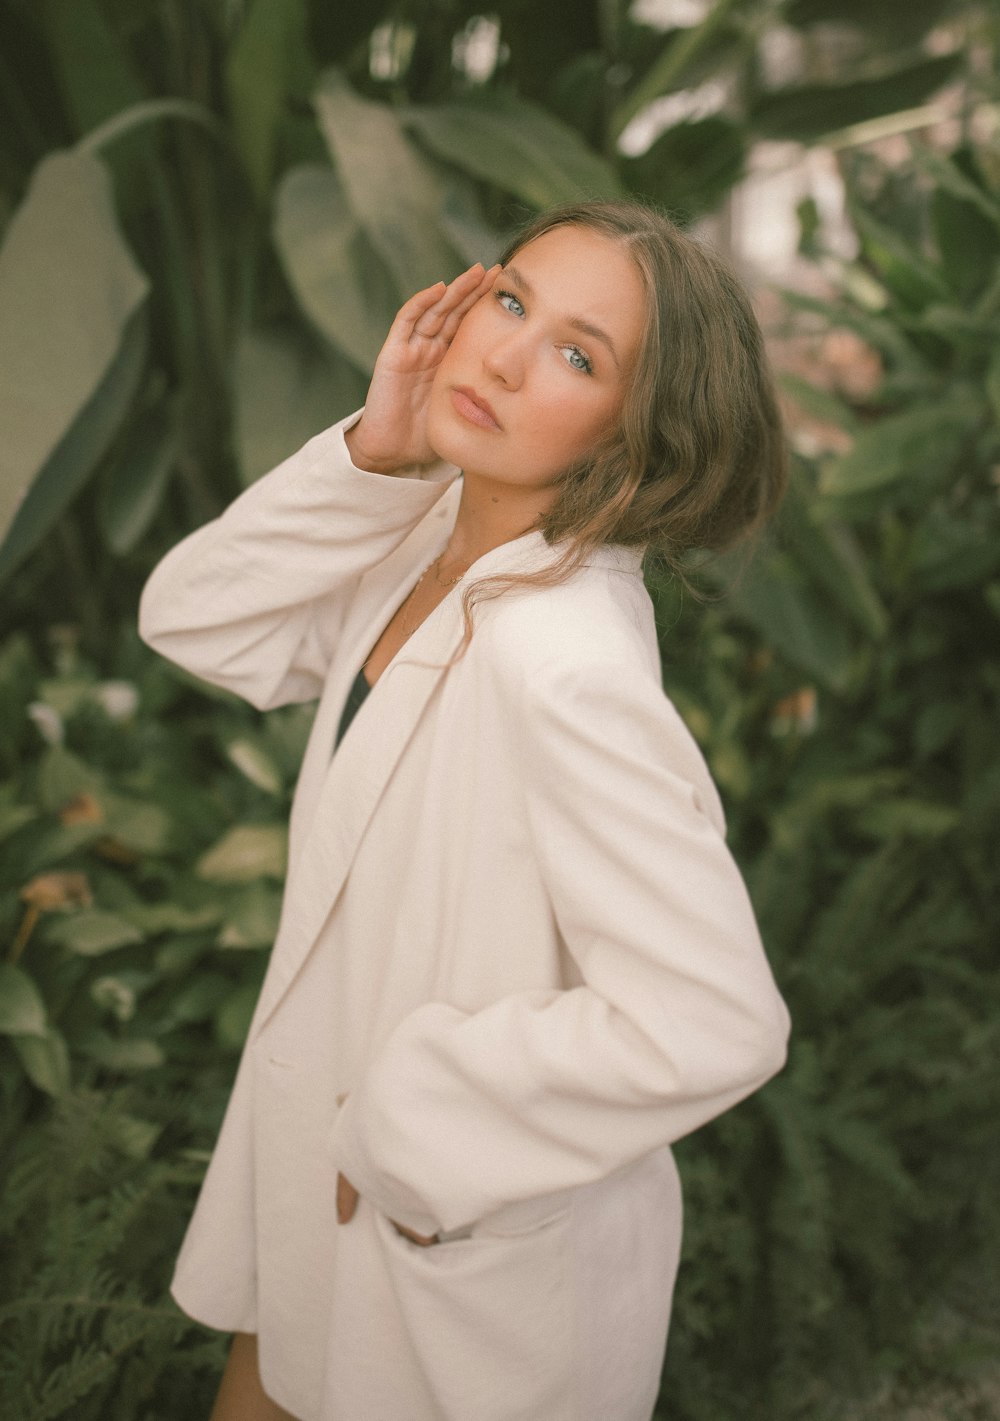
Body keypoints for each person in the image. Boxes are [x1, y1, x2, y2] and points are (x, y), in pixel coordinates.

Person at [138, 199, 791, 1421]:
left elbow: (715, 1018)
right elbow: (196, 618)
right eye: (511, 300)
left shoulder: (565, 662)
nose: (500, 353)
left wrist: (412, 1110)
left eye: (577, 353)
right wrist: (375, 457)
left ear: (635, 435)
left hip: (446, 1227)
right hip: (323, 1197)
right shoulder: (430, 540)